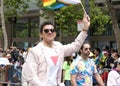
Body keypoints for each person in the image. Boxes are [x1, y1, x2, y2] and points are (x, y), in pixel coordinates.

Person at [22, 13, 90, 86]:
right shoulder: (34, 51)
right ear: (41, 34)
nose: (50, 32)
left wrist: (85, 28)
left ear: (54, 33)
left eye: (52, 30)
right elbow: (32, 77)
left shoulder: (59, 47)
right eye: (46, 30)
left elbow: (75, 46)